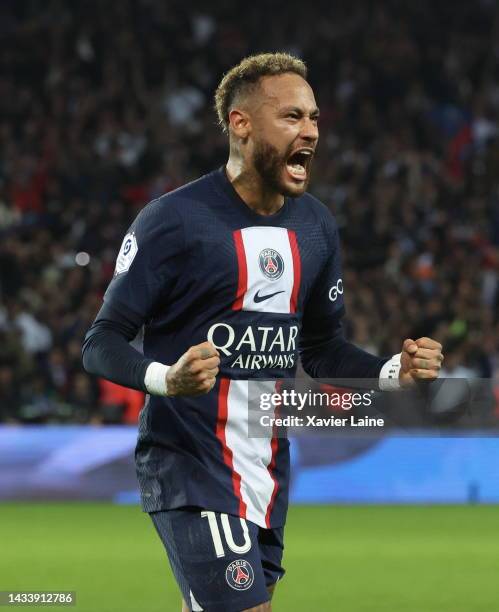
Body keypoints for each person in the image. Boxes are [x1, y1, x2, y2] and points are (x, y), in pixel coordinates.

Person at [82, 52, 444, 612]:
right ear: (241, 124)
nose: (311, 132)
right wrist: (166, 378)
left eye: (315, 118)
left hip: (268, 465)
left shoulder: (316, 225)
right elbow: (101, 341)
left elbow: (321, 348)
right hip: (191, 462)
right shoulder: (174, 221)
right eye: (292, 117)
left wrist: (392, 372)